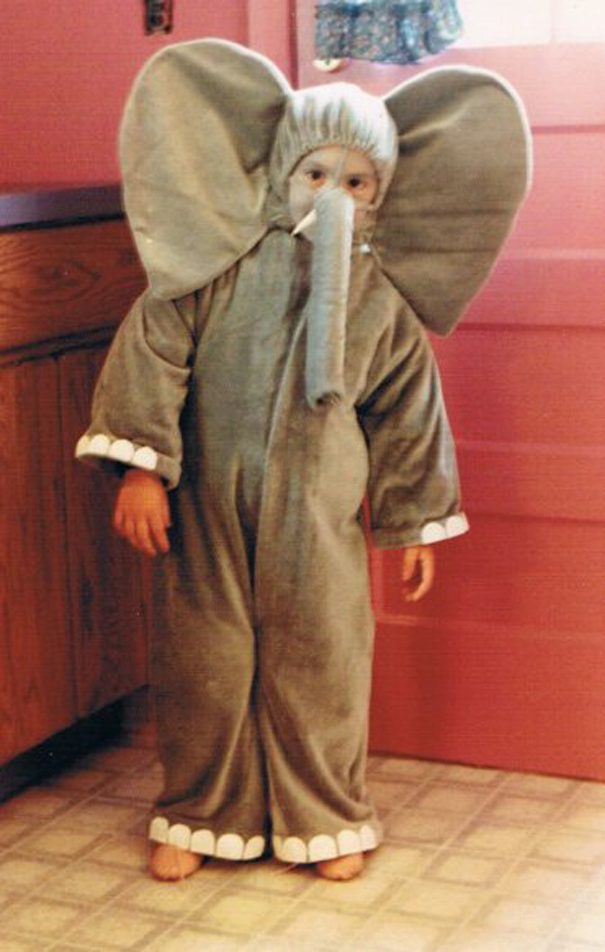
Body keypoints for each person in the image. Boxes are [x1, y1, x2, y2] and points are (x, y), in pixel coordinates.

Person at [76, 39, 530, 881]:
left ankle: (325, 810)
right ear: (280, 169)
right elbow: (152, 351)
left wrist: (413, 524)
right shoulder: (214, 269)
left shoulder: (378, 300)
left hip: (320, 512)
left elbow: (406, 410)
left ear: (382, 193)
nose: (333, 195)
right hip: (206, 499)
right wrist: (142, 469)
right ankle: (198, 807)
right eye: (315, 174)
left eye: (356, 182)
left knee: (321, 656)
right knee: (205, 657)